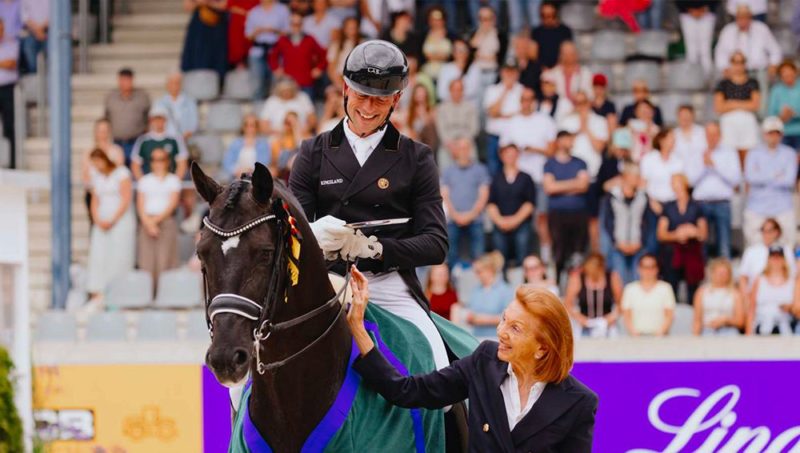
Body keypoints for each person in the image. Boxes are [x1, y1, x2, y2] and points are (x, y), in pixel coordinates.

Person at [289, 40, 451, 371]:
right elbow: (292, 233)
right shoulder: (312, 153)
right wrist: (314, 233)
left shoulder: (417, 158)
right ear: (345, 89)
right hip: (327, 280)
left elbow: (436, 244)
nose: (368, 107)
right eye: (361, 95)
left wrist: (376, 250)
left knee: (436, 363)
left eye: (380, 99)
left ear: (396, 99)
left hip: (388, 283)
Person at [346, 270, 598, 452]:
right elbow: (407, 391)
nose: (501, 332)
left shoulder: (579, 403)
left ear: (542, 349)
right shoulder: (484, 362)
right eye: (504, 319)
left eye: (516, 328)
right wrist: (358, 328)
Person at [501, 87, 557, 263]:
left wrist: (534, 149)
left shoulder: (545, 121)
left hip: (539, 177)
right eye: (523, 99)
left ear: (535, 101)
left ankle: (546, 257)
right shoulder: (512, 122)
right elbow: (503, 149)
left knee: (541, 218)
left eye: (530, 99)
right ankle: (521, 260)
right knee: (519, 220)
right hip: (517, 179)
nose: (526, 102)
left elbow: (552, 150)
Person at [685, 122, 741, 259]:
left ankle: (725, 269)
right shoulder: (696, 152)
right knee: (700, 244)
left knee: (724, 243)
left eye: (715, 134)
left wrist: (714, 165)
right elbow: (690, 181)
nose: (712, 137)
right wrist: (704, 166)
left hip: (722, 202)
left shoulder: (729, 152)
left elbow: (735, 179)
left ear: (720, 135)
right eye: (709, 134)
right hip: (700, 203)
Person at [86, 149, 136, 303]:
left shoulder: (122, 173)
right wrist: (97, 219)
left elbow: (126, 199)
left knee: (119, 257)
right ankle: (98, 292)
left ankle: (119, 292)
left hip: (120, 221)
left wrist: (113, 219)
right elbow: (94, 201)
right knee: (99, 256)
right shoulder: (97, 176)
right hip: (101, 222)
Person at [743, 117, 797, 248]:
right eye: (770, 133)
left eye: (776, 133)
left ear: (781, 135)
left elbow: (789, 180)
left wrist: (762, 174)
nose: (773, 137)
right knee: (755, 247)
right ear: (764, 134)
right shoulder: (753, 153)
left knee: (788, 245)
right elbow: (750, 177)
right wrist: (777, 175)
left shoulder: (789, 153)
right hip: (757, 208)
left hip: (782, 207)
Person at [543, 131, 589, 282]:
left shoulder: (580, 162)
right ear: (558, 141)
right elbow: (549, 187)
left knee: (578, 252)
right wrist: (574, 184)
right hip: (557, 214)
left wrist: (559, 186)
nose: (569, 142)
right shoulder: (550, 164)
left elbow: (583, 185)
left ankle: (576, 284)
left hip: (578, 213)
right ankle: (558, 282)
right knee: (559, 250)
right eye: (566, 139)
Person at [136, 149, 181, 297]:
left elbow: (172, 204)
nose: (158, 163)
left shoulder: (173, 180)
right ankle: (146, 296)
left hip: (165, 222)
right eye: (154, 159)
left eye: (161, 159)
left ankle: (165, 296)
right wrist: (148, 223)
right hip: (147, 222)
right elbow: (140, 205)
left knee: (165, 260)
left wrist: (154, 222)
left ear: (167, 161)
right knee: (146, 261)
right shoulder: (145, 180)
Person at [657, 174, 707, 304]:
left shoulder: (696, 206)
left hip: (692, 253)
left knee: (693, 289)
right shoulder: (668, 207)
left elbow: (703, 233)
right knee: (671, 287)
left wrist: (692, 231)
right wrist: (677, 235)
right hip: (673, 254)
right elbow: (661, 234)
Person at [441, 138, 490, 269]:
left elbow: (483, 194)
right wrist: (455, 215)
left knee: (479, 256)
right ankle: (451, 279)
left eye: (466, 147)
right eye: (460, 148)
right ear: (456, 150)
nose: (463, 151)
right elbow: (444, 195)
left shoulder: (480, 169)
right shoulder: (448, 171)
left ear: (471, 149)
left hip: (476, 219)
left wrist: (471, 215)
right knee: (450, 255)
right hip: (453, 219)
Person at [487, 145, 536, 268]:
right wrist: (500, 221)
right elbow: (491, 203)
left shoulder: (526, 178)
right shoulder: (496, 178)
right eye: (507, 154)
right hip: (500, 223)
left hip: (522, 223)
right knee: (499, 256)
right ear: (501, 156)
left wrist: (515, 220)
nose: (510, 157)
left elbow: (530, 203)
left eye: (513, 154)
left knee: (523, 250)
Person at [602, 161, 649, 285]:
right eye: (635, 176)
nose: (638, 178)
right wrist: (616, 242)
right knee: (619, 281)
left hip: (637, 245)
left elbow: (647, 222)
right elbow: (607, 222)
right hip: (618, 245)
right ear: (626, 176)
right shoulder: (612, 197)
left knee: (637, 281)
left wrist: (640, 242)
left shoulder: (643, 197)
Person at [640, 128, 684, 252]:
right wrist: (651, 201)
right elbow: (643, 184)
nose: (673, 142)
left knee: (671, 243)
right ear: (661, 140)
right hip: (652, 204)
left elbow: (679, 184)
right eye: (670, 138)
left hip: (672, 205)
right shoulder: (649, 159)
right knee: (652, 240)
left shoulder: (677, 160)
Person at [268, 12, 328, 99]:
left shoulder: (310, 39)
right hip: (288, 82)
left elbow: (323, 55)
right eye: (293, 24)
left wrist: (319, 68)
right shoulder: (283, 40)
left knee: (307, 105)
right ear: (290, 25)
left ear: (302, 25)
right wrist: (276, 68)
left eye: (298, 24)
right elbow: (272, 56)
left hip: (306, 81)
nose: (296, 27)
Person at [714, 51, 761, 160]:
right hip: (729, 123)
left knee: (747, 154)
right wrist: (744, 104)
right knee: (730, 154)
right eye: (735, 62)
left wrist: (731, 103)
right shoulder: (723, 84)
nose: (738, 66)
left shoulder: (752, 83)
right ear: (731, 64)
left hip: (747, 122)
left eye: (741, 62)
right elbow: (719, 107)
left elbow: (755, 105)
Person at [714, 4, 781, 76]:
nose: (743, 20)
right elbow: (719, 53)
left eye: (745, 16)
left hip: (758, 71)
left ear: (750, 17)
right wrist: (724, 68)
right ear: (736, 18)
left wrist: (773, 64)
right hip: (735, 72)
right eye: (740, 17)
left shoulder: (761, 28)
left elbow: (775, 50)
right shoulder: (728, 30)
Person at [565, 254, 622, 338]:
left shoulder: (612, 277)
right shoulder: (577, 278)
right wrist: (582, 320)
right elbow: (568, 304)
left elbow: (620, 303)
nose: (593, 272)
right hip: (584, 325)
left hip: (608, 324)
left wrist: (608, 320)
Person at [81, 119, 125, 223]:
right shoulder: (88, 152)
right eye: (100, 131)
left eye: (105, 131)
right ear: (95, 132)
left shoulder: (117, 151)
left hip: (113, 194)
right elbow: (85, 176)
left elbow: (119, 174)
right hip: (94, 194)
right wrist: (95, 194)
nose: (103, 134)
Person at [621, 254, 676, 337]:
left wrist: (660, 333)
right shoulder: (630, 289)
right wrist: (634, 334)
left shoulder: (665, 288)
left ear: (657, 269)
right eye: (645, 267)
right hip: (635, 338)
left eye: (652, 267)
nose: (648, 271)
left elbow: (669, 315)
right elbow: (626, 315)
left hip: (660, 338)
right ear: (638, 269)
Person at [104, 68, 151, 165]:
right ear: (118, 80)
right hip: (117, 142)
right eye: (122, 79)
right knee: (118, 168)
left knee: (136, 167)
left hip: (136, 141)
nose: (124, 83)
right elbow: (106, 117)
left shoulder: (142, 96)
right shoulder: (111, 97)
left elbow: (148, 116)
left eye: (127, 80)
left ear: (132, 80)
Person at [483, 62, 523, 175]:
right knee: (493, 169)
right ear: (501, 73)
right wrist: (505, 91)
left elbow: (522, 113)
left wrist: (501, 115)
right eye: (507, 71)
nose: (509, 74)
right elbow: (492, 112)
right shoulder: (492, 89)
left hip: (514, 137)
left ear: (517, 73)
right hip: (495, 136)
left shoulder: (522, 90)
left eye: (512, 71)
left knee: (514, 170)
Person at [130, 104, 189, 180]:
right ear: (150, 120)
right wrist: (143, 183)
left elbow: (182, 164)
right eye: (155, 119)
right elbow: (135, 165)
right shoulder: (143, 140)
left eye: (161, 118)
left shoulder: (175, 140)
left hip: (170, 182)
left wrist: (175, 182)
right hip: (149, 182)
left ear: (165, 120)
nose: (158, 122)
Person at [245, 0, 291, 99]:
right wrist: (257, 31)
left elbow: (288, 32)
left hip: (276, 51)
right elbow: (248, 36)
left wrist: (274, 30)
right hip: (258, 51)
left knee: (276, 83)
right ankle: (257, 106)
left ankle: (275, 106)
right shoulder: (254, 12)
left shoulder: (282, 10)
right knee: (257, 83)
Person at [738, 218, 796, 294]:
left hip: (781, 293)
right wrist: (746, 297)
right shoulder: (751, 251)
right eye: (763, 230)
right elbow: (743, 276)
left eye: (769, 231)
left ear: (777, 232)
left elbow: (792, 274)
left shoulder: (786, 250)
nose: (766, 234)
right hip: (755, 294)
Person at [747, 245, 795, 336]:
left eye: (778, 258)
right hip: (762, 326)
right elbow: (751, 308)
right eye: (773, 258)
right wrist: (748, 333)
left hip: (786, 326)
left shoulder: (792, 281)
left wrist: (790, 308)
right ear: (768, 260)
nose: (776, 261)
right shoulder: (759, 280)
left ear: (783, 260)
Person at [464, 252, 514, 338]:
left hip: (497, 338)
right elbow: (471, 313)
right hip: (477, 337)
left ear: (489, 270)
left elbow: (508, 318)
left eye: (479, 272)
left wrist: (483, 319)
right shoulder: (475, 290)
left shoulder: (505, 290)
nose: (476, 275)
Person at [692, 258, 745, 336]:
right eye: (719, 273)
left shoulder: (735, 294)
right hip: (707, 330)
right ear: (712, 273)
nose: (722, 276)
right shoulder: (701, 292)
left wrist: (725, 321)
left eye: (724, 273)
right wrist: (695, 337)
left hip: (729, 330)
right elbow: (697, 320)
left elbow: (740, 321)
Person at [435, 79, 480, 167]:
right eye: (454, 90)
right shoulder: (442, 108)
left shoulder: (470, 107)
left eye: (459, 89)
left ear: (463, 91)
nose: (457, 92)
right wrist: (452, 146)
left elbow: (474, 129)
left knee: (472, 154)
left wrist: (463, 145)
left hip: (466, 142)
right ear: (450, 91)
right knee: (443, 155)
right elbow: (441, 130)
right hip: (449, 144)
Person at [180, 0, 228, 80]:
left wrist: (208, 2)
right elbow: (187, 6)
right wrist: (199, 2)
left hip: (217, 26)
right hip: (199, 28)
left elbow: (225, 5)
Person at [221, 114, 271, 181]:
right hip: (237, 177)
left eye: (252, 125)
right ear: (243, 127)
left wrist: (251, 171)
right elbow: (227, 162)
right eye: (246, 125)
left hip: (256, 178)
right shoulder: (235, 143)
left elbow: (264, 163)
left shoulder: (263, 144)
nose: (249, 128)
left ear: (257, 127)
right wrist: (237, 171)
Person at [156, 72, 199, 142]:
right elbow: (157, 123)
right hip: (166, 140)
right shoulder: (160, 103)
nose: (174, 86)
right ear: (167, 85)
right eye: (171, 83)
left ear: (181, 85)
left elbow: (194, 123)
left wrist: (186, 135)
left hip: (185, 140)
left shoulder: (190, 102)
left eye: (176, 83)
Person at [676, 1, 716, 76]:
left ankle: (707, 76)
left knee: (705, 50)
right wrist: (689, 9)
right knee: (691, 50)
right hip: (687, 13)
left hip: (707, 13)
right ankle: (692, 77)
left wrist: (704, 8)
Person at [767, 60, 800, 150]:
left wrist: (794, 114)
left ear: (795, 72)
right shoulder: (776, 90)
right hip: (783, 133)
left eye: (790, 74)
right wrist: (781, 117)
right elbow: (771, 113)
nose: (788, 77)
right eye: (784, 75)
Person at [436, 38, 481, 103]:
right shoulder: (446, 68)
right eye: (457, 49)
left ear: (468, 52)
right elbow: (441, 92)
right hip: (449, 104)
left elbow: (473, 90)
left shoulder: (474, 68)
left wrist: (458, 97)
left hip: (468, 104)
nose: (460, 53)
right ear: (452, 52)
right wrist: (454, 99)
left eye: (463, 50)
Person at [531, 1, 573, 69]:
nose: (547, 19)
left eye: (550, 15)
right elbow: (533, 56)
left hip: (561, 69)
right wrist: (543, 69)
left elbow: (567, 54)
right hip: (540, 70)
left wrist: (555, 70)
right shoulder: (536, 32)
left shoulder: (565, 31)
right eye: (543, 16)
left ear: (556, 14)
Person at [326, 16, 362, 90]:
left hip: (356, 84)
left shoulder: (363, 45)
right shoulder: (336, 45)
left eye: (354, 28)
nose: (352, 31)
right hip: (338, 82)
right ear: (344, 29)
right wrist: (339, 85)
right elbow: (331, 69)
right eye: (349, 28)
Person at [399, 84, 438, 150]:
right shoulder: (409, 111)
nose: (420, 95)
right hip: (413, 139)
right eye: (418, 92)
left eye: (422, 92)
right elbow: (406, 126)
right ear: (414, 95)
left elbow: (430, 129)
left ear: (426, 94)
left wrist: (423, 114)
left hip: (426, 141)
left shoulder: (432, 111)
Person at [0, 18, 16, 168]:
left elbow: (12, 63)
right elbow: (6, 63)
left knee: (9, 126)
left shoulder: (11, 42)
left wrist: (5, 63)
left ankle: (13, 162)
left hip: (8, 89)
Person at [420, 6, 453, 80]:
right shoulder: (422, 36)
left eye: (438, 19)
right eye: (433, 19)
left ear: (444, 20)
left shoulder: (452, 36)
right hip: (426, 73)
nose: (436, 22)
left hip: (447, 74)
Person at [226, 0, 259, 67]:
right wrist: (245, 12)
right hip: (238, 22)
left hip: (254, 23)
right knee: (238, 47)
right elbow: (229, 6)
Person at [20, 0, 46, 74]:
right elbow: (24, 17)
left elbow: (54, 15)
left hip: (48, 31)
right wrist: (37, 30)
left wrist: (41, 29)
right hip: (31, 32)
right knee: (29, 47)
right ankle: (32, 75)